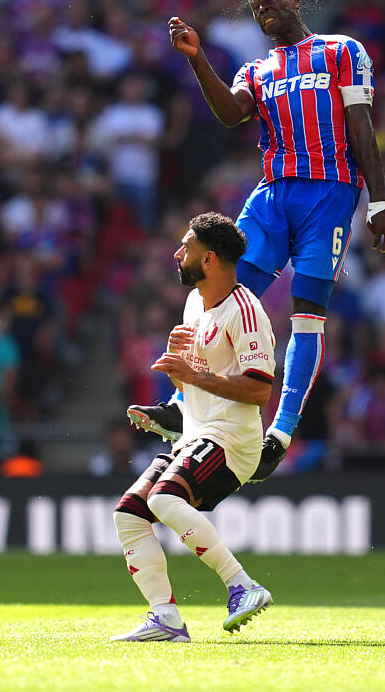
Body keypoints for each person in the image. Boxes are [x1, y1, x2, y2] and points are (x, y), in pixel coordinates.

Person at [133, 0, 385, 481]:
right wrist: (198, 59)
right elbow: (232, 115)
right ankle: (180, 406)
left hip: (330, 191)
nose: (262, 7)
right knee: (220, 293)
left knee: (308, 312)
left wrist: (378, 201)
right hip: (273, 194)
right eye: (254, 3)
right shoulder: (258, 70)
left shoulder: (343, 51)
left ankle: (280, 431)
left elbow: (362, 128)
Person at [112, 212, 275, 643]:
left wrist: (195, 376)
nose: (177, 253)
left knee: (165, 501)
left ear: (209, 259)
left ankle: (243, 585)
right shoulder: (194, 303)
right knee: (129, 514)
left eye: (186, 247)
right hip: (197, 432)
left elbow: (260, 391)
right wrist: (175, 371)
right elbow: (193, 381)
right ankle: (166, 618)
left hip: (232, 438)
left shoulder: (246, 311)